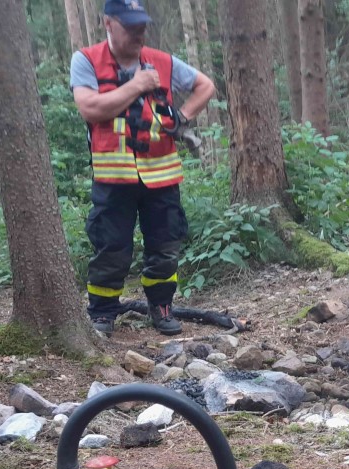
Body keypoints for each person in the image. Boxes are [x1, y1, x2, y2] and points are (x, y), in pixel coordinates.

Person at [70, 0, 216, 336]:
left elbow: (205, 86)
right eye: (130, 26)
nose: (139, 32)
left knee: (165, 246)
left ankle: (162, 307)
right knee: (111, 248)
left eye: (142, 25)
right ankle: (103, 314)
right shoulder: (86, 60)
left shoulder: (162, 62)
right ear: (109, 23)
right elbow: (90, 108)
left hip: (162, 176)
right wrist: (136, 85)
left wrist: (183, 118)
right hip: (112, 178)